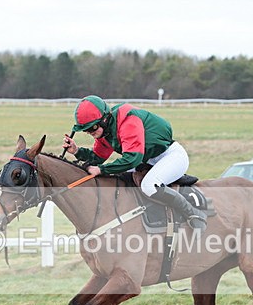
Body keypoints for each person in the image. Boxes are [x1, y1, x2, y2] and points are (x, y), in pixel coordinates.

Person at [62, 95, 206, 230]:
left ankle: (192, 212)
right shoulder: (105, 132)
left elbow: (132, 158)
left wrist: (101, 170)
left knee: (149, 186)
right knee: (119, 181)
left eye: (92, 127)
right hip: (147, 161)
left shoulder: (127, 120)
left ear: (105, 119)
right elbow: (98, 157)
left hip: (171, 157)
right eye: (85, 130)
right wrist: (76, 151)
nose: (89, 132)